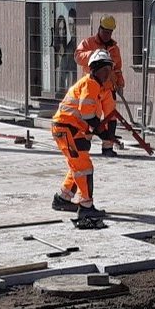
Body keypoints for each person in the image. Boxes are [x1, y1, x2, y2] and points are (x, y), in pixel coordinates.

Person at [50, 49, 117, 224]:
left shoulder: (95, 85)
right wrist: (103, 134)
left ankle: (63, 199)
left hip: (68, 129)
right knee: (84, 167)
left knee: (78, 165)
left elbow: (91, 115)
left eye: (109, 71)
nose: (107, 74)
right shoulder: (91, 84)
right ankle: (86, 207)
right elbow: (87, 114)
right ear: (95, 69)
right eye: (104, 70)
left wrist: (103, 133)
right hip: (67, 129)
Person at [76, 15, 127, 156]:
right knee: (91, 117)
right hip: (94, 88)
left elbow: (117, 69)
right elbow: (77, 57)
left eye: (109, 33)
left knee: (111, 118)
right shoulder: (88, 43)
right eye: (105, 32)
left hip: (108, 88)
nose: (107, 35)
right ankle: (84, 144)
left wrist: (120, 82)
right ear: (99, 29)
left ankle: (108, 147)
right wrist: (94, 54)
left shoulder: (114, 49)